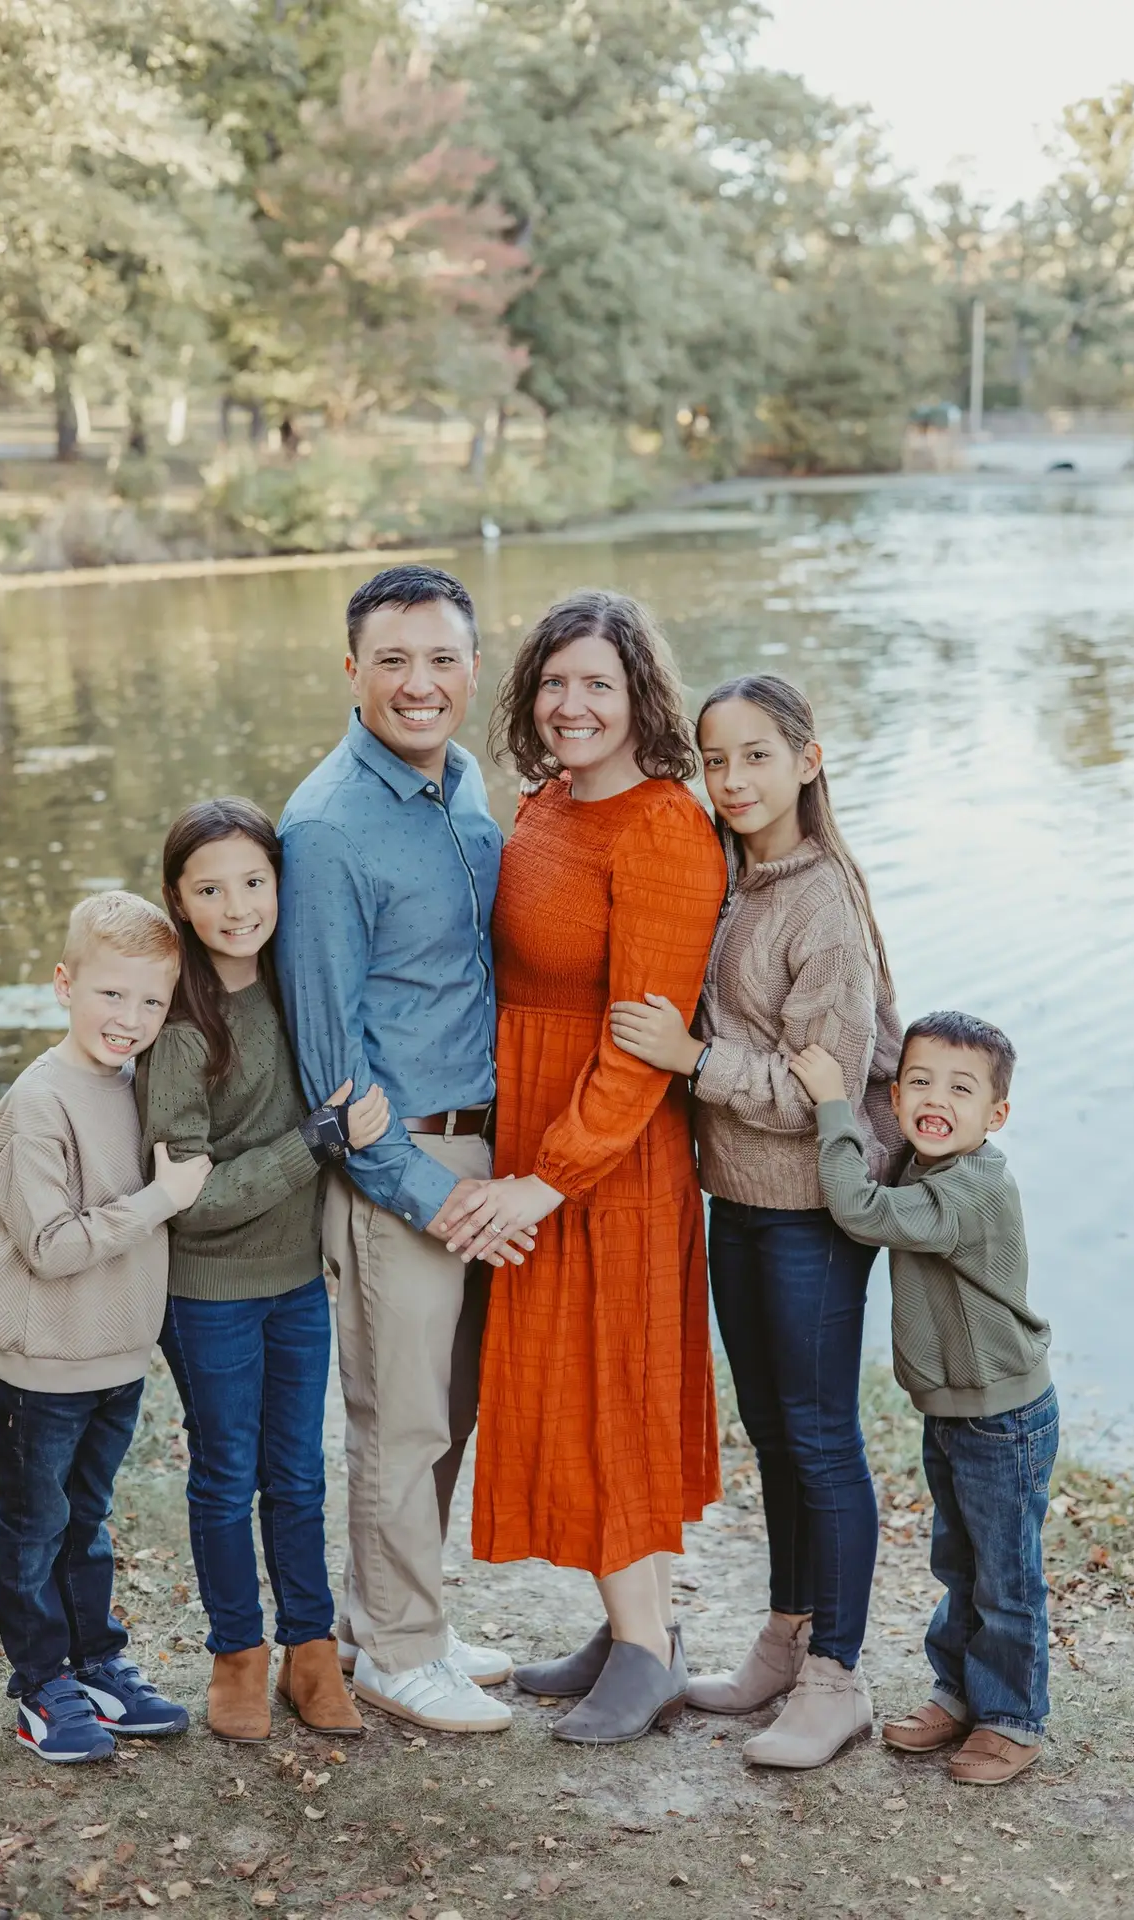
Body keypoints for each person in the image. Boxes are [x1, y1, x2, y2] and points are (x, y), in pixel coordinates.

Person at [441, 589, 726, 1744]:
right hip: (536, 1133)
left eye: (596, 684)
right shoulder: (544, 805)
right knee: (578, 1384)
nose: (571, 704)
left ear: (638, 696)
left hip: (606, 1157)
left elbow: (641, 1049)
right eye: (554, 681)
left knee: (615, 1392)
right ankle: (627, 1632)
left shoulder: (662, 828)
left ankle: (650, 1653)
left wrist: (546, 1178)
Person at [609, 673, 901, 1769]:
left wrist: (691, 1060)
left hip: (808, 1216)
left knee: (822, 1438)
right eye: (715, 760)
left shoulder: (819, 901)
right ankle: (786, 1640)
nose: (731, 781)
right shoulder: (733, 874)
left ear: (806, 761)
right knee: (776, 1434)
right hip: (734, 1202)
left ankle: (839, 1679)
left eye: (755, 758)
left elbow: (822, 1090)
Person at [277, 564, 528, 1735]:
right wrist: (429, 1194)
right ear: (351, 673)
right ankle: (390, 1648)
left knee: (453, 1410)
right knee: (398, 1417)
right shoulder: (325, 826)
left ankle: (411, 1615)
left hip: (481, 1159)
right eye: (392, 660)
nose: (418, 684)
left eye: (440, 660)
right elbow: (334, 1070)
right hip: (400, 1178)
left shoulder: (468, 787)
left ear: (472, 671)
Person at [138, 797, 389, 1745]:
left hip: (295, 1282)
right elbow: (188, 1200)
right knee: (225, 1474)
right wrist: (314, 1142)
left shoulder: (299, 987)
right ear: (180, 901)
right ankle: (236, 1653)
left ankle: (310, 1653)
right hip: (206, 1294)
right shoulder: (182, 1028)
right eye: (210, 889)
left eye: (254, 881)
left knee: (297, 1473)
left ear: (282, 883)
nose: (237, 905)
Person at [792, 1013, 1056, 1787]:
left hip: (1004, 1417)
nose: (935, 1098)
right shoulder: (925, 1160)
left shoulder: (970, 1188)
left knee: (1006, 1574)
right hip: (954, 1412)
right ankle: (962, 1692)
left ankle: (1013, 1717)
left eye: (960, 1088)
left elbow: (860, 1210)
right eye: (919, 1082)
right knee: (960, 1563)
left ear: (996, 1115)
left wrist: (832, 1105)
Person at [0, 891, 208, 1763]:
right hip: (44, 1369)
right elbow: (49, 1245)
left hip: (117, 1359)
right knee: (36, 1526)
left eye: (152, 1001)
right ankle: (41, 1686)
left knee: (90, 1521)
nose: (133, 1018)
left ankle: (97, 1664)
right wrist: (161, 1201)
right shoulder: (37, 1105)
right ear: (64, 985)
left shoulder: (140, 1087)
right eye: (113, 995)